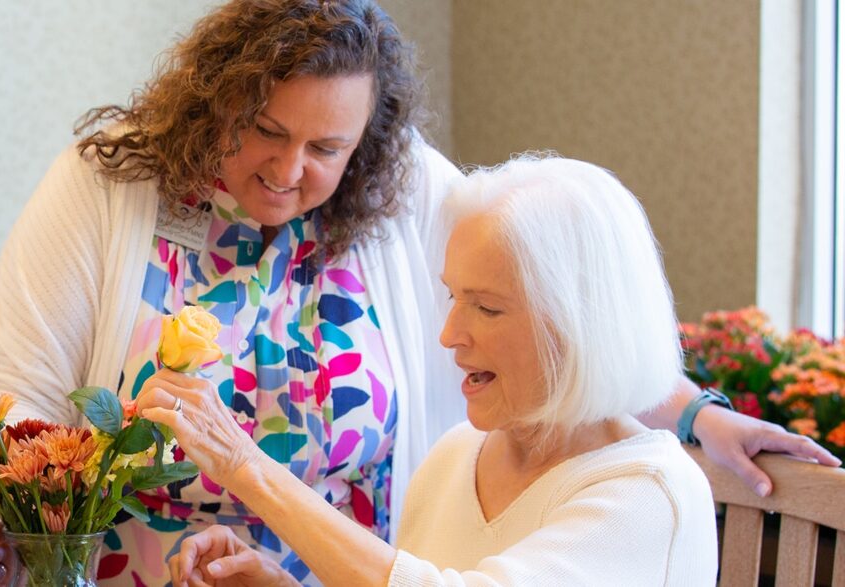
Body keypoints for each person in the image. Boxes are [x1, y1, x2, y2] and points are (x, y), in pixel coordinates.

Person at [0, 0, 839, 584]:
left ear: (365, 144)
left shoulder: (406, 184)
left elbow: (561, 304)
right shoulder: (111, 183)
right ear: (211, 102)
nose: (288, 168)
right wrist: (33, 520)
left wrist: (695, 413)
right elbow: (20, 391)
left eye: (325, 147)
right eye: (265, 130)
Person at [146, 155, 719, 585]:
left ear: (579, 327)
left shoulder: (648, 493)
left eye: (487, 308)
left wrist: (246, 466)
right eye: (453, 299)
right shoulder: (458, 455)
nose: (449, 335)